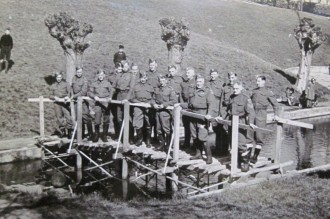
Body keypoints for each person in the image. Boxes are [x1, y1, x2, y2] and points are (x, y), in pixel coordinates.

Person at [217, 81, 256, 172]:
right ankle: (237, 161)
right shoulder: (231, 97)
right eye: (234, 88)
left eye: (237, 88)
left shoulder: (246, 98)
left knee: (241, 143)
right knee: (232, 143)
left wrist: (250, 122)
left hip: (241, 122)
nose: (235, 90)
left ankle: (245, 162)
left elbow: (251, 112)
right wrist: (221, 117)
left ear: (241, 88)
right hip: (231, 122)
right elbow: (227, 110)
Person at [183, 75, 214, 164]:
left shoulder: (207, 91)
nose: (198, 83)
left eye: (200, 81)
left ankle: (209, 156)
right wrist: (179, 104)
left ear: (203, 82)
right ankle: (198, 153)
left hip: (202, 115)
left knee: (203, 136)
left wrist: (209, 114)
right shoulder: (193, 91)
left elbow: (211, 104)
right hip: (193, 115)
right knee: (194, 135)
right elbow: (189, 104)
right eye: (197, 81)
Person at [250, 75, 279, 164]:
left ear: (263, 82)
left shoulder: (268, 92)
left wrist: (276, 115)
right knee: (250, 135)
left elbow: (275, 105)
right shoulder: (254, 91)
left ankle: (255, 157)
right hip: (252, 113)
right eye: (256, 81)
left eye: (259, 81)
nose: (257, 83)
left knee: (259, 136)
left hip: (261, 115)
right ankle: (248, 156)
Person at [152, 76, 177, 152]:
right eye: (160, 80)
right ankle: (162, 144)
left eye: (163, 80)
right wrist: (154, 104)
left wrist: (165, 105)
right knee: (158, 129)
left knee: (167, 129)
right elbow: (152, 98)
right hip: (158, 111)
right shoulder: (157, 89)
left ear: (166, 81)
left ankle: (168, 145)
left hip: (165, 112)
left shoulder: (170, 89)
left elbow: (174, 101)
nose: (162, 82)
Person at [129, 72, 154, 147]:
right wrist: (139, 102)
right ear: (139, 78)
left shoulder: (150, 87)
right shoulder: (135, 86)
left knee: (149, 122)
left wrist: (149, 103)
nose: (143, 79)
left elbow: (153, 97)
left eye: (144, 78)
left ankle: (148, 140)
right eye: (141, 78)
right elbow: (131, 98)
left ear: (146, 78)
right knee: (137, 123)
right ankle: (140, 139)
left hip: (147, 106)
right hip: (138, 105)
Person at [88, 69, 113, 142]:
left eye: (102, 75)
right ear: (97, 75)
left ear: (104, 75)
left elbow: (111, 90)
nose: (101, 76)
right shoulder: (94, 84)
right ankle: (96, 135)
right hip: (98, 104)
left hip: (106, 103)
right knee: (97, 120)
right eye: (99, 75)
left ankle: (104, 135)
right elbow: (90, 92)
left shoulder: (107, 83)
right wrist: (94, 96)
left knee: (106, 120)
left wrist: (110, 97)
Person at [217, 72, 238, 156]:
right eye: (230, 77)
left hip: (234, 112)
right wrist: (220, 113)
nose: (231, 79)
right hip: (225, 111)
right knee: (224, 131)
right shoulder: (225, 88)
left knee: (233, 131)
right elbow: (221, 101)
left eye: (233, 77)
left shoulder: (238, 88)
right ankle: (225, 150)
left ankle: (234, 151)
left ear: (236, 78)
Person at [114, 61, 135, 143]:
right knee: (119, 118)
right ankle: (122, 137)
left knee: (128, 118)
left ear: (128, 66)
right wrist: (109, 97)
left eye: (126, 66)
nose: (124, 68)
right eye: (123, 66)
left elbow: (131, 88)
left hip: (127, 97)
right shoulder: (118, 75)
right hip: (119, 96)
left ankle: (130, 137)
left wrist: (127, 98)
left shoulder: (131, 76)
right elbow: (114, 87)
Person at [71, 67, 93, 140]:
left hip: (83, 102)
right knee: (78, 118)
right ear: (76, 72)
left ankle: (90, 134)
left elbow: (83, 92)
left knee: (86, 117)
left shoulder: (84, 79)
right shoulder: (74, 78)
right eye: (78, 72)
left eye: (80, 72)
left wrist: (74, 96)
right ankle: (81, 134)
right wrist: (71, 95)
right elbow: (72, 88)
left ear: (82, 72)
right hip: (76, 102)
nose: (79, 73)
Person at [49, 71, 73, 138]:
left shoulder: (66, 84)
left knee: (68, 117)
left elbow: (70, 92)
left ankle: (70, 131)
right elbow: (50, 95)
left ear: (62, 77)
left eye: (60, 77)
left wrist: (67, 97)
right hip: (57, 103)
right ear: (55, 78)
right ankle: (62, 131)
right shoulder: (53, 85)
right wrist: (54, 97)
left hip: (65, 103)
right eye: (57, 77)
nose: (59, 78)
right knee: (59, 118)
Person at [180, 67, 196, 149]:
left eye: (189, 73)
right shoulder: (184, 83)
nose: (187, 74)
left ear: (193, 73)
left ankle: (195, 144)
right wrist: (182, 104)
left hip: (193, 107)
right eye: (186, 72)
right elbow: (182, 95)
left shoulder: (196, 83)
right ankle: (186, 143)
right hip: (185, 107)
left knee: (193, 126)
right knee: (186, 125)